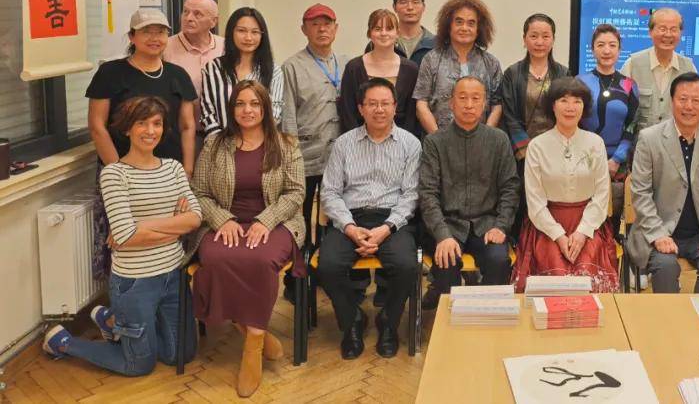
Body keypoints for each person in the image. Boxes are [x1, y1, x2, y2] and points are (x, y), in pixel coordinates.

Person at [44, 97, 201, 375]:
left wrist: (144, 226)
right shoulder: (114, 174)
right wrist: (174, 225)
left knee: (181, 354)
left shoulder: (174, 168)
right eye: (142, 123)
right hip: (135, 282)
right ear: (127, 128)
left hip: (173, 275)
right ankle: (63, 342)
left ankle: (112, 321)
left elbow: (195, 218)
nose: (150, 131)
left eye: (157, 124)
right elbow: (126, 236)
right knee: (138, 364)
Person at [189, 80, 305, 397]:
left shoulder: (286, 144)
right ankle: (260, 335)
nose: (247, 110)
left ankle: (252, 344)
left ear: (265, 107)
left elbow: (296, 193)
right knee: (215, 259)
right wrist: (221, 219)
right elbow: (199, 193)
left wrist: (265, 220)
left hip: (276, 222)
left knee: (259, 259)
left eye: (254, 103)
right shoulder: (215, 145)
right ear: (232, 109)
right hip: (225, 222)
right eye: (240, 104)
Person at [319, 78, 421, 359]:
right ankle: (352, 320)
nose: (379, 109)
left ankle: (388, 322)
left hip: (392, 219)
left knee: (406, 265)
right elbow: (330, 192)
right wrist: (350, 228)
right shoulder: (344, 144)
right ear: (360, 108)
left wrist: (386, 229)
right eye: (372, 104)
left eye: (385, 103)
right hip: (350, 217)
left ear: (395, 107)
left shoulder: (411, 144)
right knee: (327, 266)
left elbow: (411, 195)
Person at [627, 72, 699, 294]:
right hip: (658, 230)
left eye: (696, 100)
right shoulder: (649, 138)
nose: (689, 106)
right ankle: (669, 317)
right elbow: (640, 193)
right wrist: (658, 234)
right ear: (672, 101)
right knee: (665, 266)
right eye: (683, 99)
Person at [419, 76, 520, 308]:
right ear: (451, 103)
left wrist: (501, 226)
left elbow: (510, 188)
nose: (469, 105)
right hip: (448, 225)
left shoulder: (498, 140)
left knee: (498, 260)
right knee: (446, 261)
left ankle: (486, 314)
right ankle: (450, 317)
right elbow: (427, 193)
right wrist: (442, 235)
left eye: (476, 98)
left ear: (484, 104)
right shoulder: (435, 142)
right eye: (462, 98)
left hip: (487, 225)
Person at [512, 78, 618, 292]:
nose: (570, 107)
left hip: (588, 223)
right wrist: (559, 236)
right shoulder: (537, 146)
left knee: (587, 276)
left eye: (577, 101)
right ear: (552, 105)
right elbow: (535, 201)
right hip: (546, 225)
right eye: (564, 100)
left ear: (584, 107)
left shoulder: (595, 143)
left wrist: (582, 232)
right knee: (556, 278)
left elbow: (601, 195)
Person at [87, 9, 198, 174]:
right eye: (146, 32)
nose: (154, 38)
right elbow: (97, 126)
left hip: (170, 171)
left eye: (160, 32)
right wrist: (118, 171)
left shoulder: (178, 75)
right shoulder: (110, 72)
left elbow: (187, 126)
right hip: (122, 169)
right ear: (131, 36)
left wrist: (187, 170)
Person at [280, 3, 347, 246]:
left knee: (336, 212)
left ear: (336, 28)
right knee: (302, 212)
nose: (322, 29)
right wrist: (291, 154)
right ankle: (301, 262)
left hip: (339, 154)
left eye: (327, 24)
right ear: (304, 29)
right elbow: (287, 114)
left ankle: (328, 258)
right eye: (314, 24)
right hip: (306, 153)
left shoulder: (347, 63)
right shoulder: (292, 66)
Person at [577, 24, 639, 227]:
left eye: (612, 45)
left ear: (619, 50)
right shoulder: (580, 82)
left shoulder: (629, 85)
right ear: (592, 49)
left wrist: (616, 160)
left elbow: (632, 125)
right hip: (584, 159)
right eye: (601, 45)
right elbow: (574, 123)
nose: (606, 50)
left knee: (614, 217)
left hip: (618, 164)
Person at [414, 0, 503, 133]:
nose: (464, 28)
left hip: (481, 142)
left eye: (471, 23)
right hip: (438, 139)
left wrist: (485, 138)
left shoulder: (491, 63)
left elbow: (497, 106)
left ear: (479, 29)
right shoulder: (431, 59)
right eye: (459, 22)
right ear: (449, 26)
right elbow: (421, 104)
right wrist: (438, 139)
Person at [200, 7, 284, 135]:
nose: (248, 37)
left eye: (255, 32)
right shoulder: (213, 67)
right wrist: (222, 142)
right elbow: (207, 112)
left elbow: (275, 111)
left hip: (260, 142)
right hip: (220, 141)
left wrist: (251, 141)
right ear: (231, 32)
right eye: (241, 31)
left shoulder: (274, 71)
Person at [499, 13, 571, 159]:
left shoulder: (563, 73)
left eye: (545, 36)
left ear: (553, 40)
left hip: (556, 149)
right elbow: (509, 116)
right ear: (524, 39)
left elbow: (568, 111)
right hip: (522, 152)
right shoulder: (512, 74)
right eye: (533, 36)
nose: (539, 42)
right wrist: (526, 150)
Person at [340, 9, 420, 135]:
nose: (383, 33)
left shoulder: (411, 69)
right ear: (369, 33)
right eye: (377, 29)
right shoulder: (353, 68)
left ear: (397, 33)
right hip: (358, 140)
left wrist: (403, 141)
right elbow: (347, 111)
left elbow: (412, 115)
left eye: (389, 28)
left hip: (401, 141)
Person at [620, 8, 697, 130]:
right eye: (662, 29)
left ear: (680, 33)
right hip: (639, 139)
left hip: (675, 139)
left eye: (673, 29)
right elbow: (621, 105)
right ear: (650, 32)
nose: (668, 34)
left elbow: (694, 108)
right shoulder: (632, 65)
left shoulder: (689, 68)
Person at [164, 0, 225, 136]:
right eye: (185, 12)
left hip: (221, 132)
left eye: (197, 14)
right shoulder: (165, 47)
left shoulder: (225, 46)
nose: (188, 18)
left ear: (213, 21)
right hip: (178, 133)